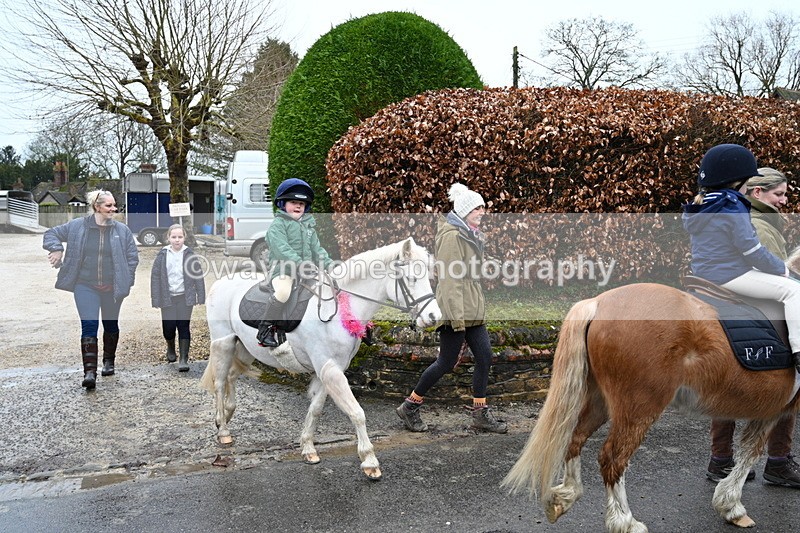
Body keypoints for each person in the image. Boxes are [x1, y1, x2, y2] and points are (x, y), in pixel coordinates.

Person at [706, 168, 800, 488]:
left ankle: (720, 459)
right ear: (757, 193)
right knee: (790, 380)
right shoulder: (760, 224)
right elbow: (773, 274)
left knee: (726, 385)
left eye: (785, 194)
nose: (784, 200)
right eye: (779, 194)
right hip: (760, 308)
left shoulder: (745, 217)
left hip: (733, 304)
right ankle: (778, 462)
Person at [396, 183, 507, 434]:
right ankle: (410, 406)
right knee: (446, 362)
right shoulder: (451, 236)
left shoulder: (468, 234)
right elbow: (449, 280)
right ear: (465, 211)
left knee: (485, 357)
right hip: (456, 308)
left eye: (483, 208)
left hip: (472, 307)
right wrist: (457, 319)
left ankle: (480, 413)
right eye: (478, 208)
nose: (482, 212)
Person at [683, 143, 800, 376]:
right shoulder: (733, 205)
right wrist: (782, 270)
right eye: (748, 180)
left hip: (702, 274)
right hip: (732, 275)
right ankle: (798, 351)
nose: (749, 186)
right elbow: (752, 250)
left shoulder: (702, 203)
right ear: (738, 181)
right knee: (794, 291)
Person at [43, 189, 139, 390]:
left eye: (114, 205)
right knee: (89, 326)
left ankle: (109, 361)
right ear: (97, 206)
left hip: (113, 287)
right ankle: (89, 373)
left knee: (111, 325)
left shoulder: (122, 230)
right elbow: (51, 233)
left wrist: (127, 280)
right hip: (85, 285)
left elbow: (132, 257)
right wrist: (57, 248)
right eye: (109, 205)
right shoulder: (77, 226)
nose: (113, 209)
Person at [256, 178, 332, 348]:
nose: (298, 206)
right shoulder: (278, 225)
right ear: (283, 204)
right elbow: (282, 249)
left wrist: (330, 265)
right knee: (283, 292)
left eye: (301, 204)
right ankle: (265, 329)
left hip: (305, 271)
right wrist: (300, 263)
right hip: (283, 270)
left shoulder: (308, 227)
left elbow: (318, 250)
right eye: (293, 202)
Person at [150, 224, 206, 372]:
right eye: (173, 237)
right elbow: (155, 276)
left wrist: (200, 295)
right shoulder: (162, 254)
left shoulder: (189, 254)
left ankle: (183, 358)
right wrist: (156, 298)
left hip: (184, 297)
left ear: (184, 238)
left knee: (183, 326)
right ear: (168, 238)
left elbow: (197, 276)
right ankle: (170, 346)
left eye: (180, 237)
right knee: (168, 328)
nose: (176, 240)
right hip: (167, 297)